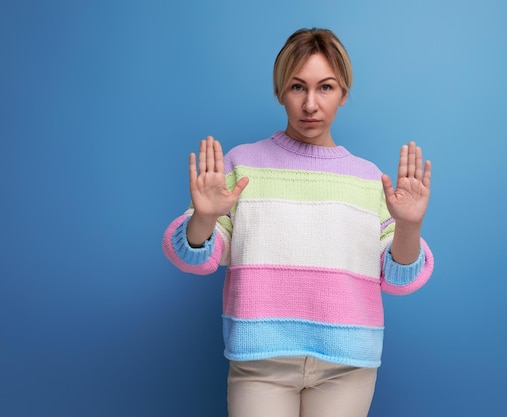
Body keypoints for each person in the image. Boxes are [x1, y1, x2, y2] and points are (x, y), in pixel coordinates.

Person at [162, 27, 434, 417]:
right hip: (262, 359)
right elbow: (193, 257)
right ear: (279, 92)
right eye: (297, 87)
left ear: (343, 93)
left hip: (347, 365)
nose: (310, 104)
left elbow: (398, 279)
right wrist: (204, 217)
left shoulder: (369, 178)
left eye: (325, 87)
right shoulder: (243, 164)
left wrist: (409, 227)